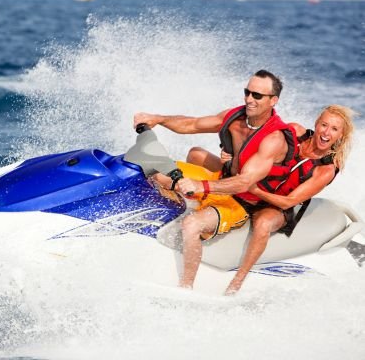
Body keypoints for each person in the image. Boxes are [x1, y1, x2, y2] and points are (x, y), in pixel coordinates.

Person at [134, 69, 297, 292]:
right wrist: (158, 119)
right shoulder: (235, 118)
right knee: (154, 171)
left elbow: (244, 182)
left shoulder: (274, 139)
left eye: (257, 96)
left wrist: (201, 186)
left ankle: (186, 287)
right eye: (247, 92)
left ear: (273, 101)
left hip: (241, 201)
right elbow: (192, 125)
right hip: (219, 180)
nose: (249, 99)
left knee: (192, 225)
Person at [223, 104, 355, 293]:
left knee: (263, 223)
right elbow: (256, 146)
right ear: (316, 124)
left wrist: (253, 190)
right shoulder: (294, 131)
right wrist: (232, 156)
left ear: (340, 135)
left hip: (277, 204)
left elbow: (288, 202)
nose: (326, 133)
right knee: (197, 154)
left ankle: (237, 281)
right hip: (256, 182)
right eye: (324, 125)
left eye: (334, 129)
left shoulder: (326, 169)